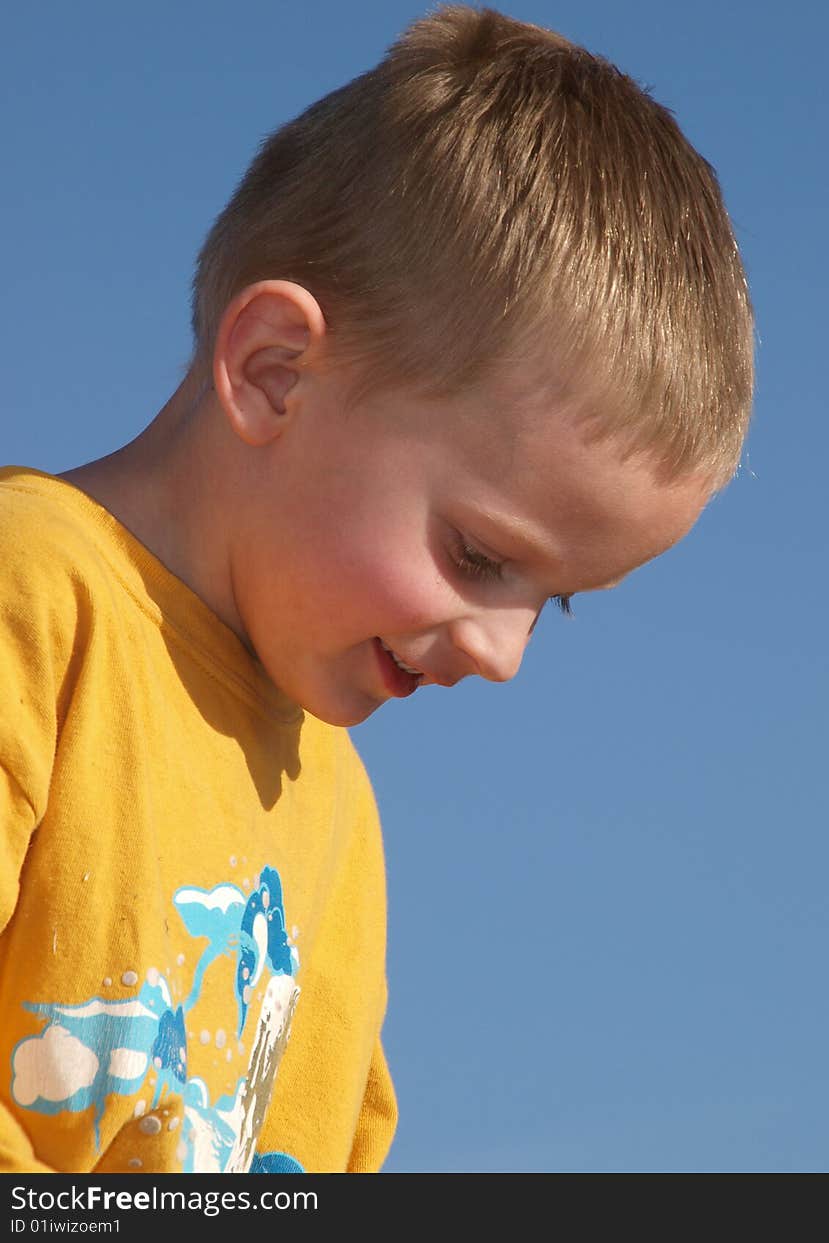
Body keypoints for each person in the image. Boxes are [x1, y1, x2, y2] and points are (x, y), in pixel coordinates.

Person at [0, 5, 753, 1173]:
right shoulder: (36, 600)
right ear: (274, 373)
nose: (502, 655)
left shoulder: (338, 820)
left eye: (551, 601)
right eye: (479, 555)